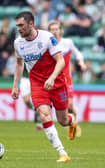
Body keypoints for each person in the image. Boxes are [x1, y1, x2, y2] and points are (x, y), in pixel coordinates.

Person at [11, 11, 77, 162]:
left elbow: (60, 61)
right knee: (44, 114)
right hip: (38, 84)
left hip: (57, 83)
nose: (19, 29)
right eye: (17, 26)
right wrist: (15, 86)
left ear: (31, 24)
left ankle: (70, 120)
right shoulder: (17, 43)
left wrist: (52, 78)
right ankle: (62, 153)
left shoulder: (47, 37)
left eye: (21, 25)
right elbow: (19, 63)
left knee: (62, 121)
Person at [48, 20, 86, 137]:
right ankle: (48, 127)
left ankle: (75, 124)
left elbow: (78, 53)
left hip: (66, 79)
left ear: (61, 31)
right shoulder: (47, 44)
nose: (54, 31)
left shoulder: (67, 43)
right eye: (52, 29)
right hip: (51, 79)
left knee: (69, 106)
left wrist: (81, 62)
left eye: (56, 29)